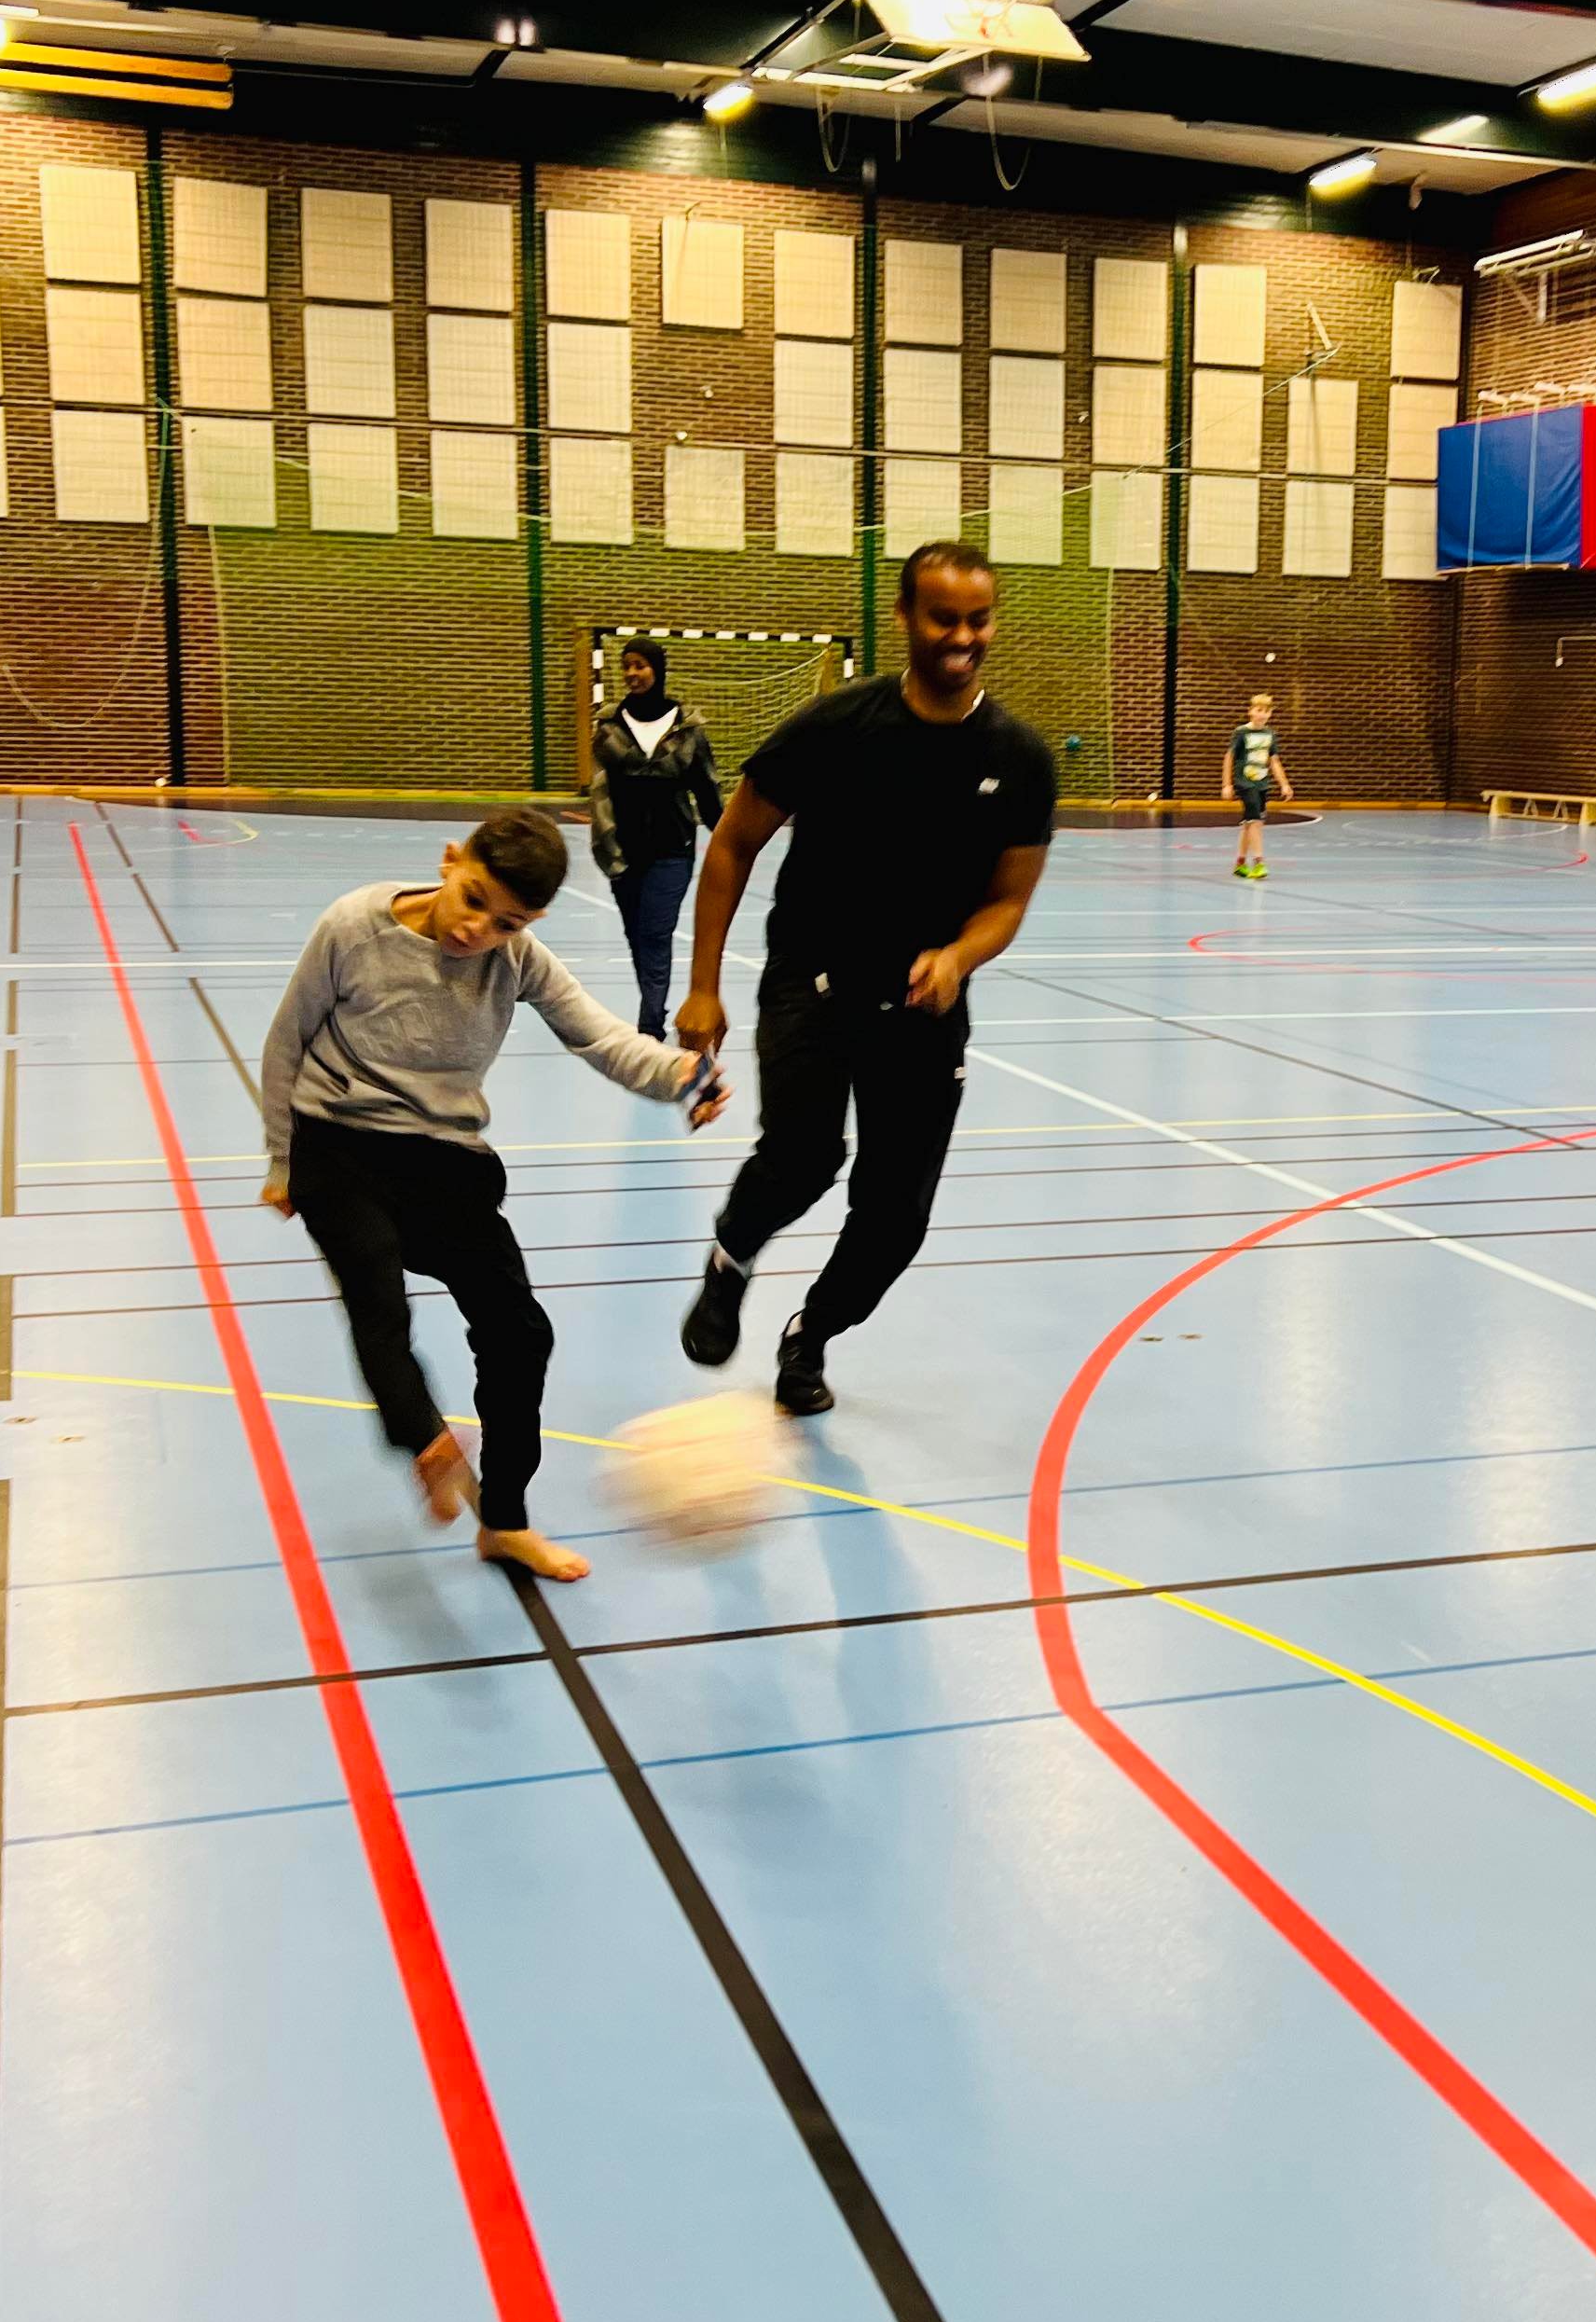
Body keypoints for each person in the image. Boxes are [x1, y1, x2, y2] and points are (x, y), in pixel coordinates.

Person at [260, 808, 727, 1583]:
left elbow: (599, 1035)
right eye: (473, 899)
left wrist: (680, 1074)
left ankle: (504, 1522)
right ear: (451, 861)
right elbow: (287, 1040)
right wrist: (282, 1161)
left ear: (530, 923)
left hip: (444, 1158)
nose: (477, 929)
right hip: (335, 1143)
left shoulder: (517, 957)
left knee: (520, 1335)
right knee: (377, 1296)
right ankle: (426, 1441)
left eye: (506, 922)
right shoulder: (354, 926)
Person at [675, 542, 1056, 1417]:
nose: (963, 637)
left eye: (978, 620)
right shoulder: (835, 728)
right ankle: (730, 1262)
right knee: (804, 1159)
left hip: (924, 1007)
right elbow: (732, 845)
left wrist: (958, 956)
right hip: (812, 981)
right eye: (944, 618)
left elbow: (1007, 901)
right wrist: (702, 987)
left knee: (896, 1217)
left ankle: (810, 1333)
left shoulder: (1020, 758)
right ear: (906, 618)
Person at [586, 637, 723, 1039]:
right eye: (627, 666)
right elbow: (600, 791)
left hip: (672, 852)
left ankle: (650, 1028)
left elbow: (708, 792)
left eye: (640, 665)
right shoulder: (609, 728)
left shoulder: (688, 730)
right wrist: (604, 845)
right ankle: (652, 1011)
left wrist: (731, 841)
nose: (632, 673)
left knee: (655, 934)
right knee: (637, 937)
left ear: (657, 670)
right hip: (623, 853)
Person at [1223, 690, 1294, 879]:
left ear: (1270, 714)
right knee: (1255, 822)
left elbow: (1274, 761)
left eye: (1266, 711)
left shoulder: (1270, 734)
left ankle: (1240, 864)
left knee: (1251, 823)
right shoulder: (1241, 733)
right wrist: (1227, 784)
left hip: (1262, 783)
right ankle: (1259, 862)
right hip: (1245, 783)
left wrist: (1284, 784)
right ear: (1251, 711)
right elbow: (1229, 757)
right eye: (1259, 710)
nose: (1262, 714)